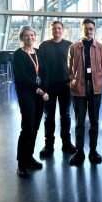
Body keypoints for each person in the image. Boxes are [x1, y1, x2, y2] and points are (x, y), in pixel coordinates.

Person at [68, 18, 102, 166]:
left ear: (94, 30)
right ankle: (79, 152)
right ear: (82, 29)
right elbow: (70, 68)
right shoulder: (74, 47)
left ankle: (93, 150)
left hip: (95, 89)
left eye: (91, 28)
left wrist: (97, 81)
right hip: (79, 88)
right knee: (79, 122)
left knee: (94, 121)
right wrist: (74, 82)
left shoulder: (101, 48)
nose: (89, 31)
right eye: (86, 28)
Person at [13, 26, 49, 178]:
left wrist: (45, 90)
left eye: (32, 35)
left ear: (35, 37)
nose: (30, 38)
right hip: (27, 93)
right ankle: (21, 162)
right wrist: (38, 90)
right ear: (22, 37)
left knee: (34, 127)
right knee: (27, 127)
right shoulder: (18, 54)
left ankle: (29, 157)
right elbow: (21, 77)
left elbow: (45, 72)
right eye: (26, 35)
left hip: (40, 94)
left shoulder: (38, 52)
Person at [39, 21, 76, 157]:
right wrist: (42, 86)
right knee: (49, 116)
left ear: (63, 30)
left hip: (65, 86)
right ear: (51, 30)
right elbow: (40, 67)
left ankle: (66, 143)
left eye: (59, 28)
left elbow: (74, 65)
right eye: (54, 28)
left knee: (65, 115)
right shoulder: (44, 46)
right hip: (49, 86)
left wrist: (72, 81)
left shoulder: (69, 45)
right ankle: (49, 145)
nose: (57, 30)